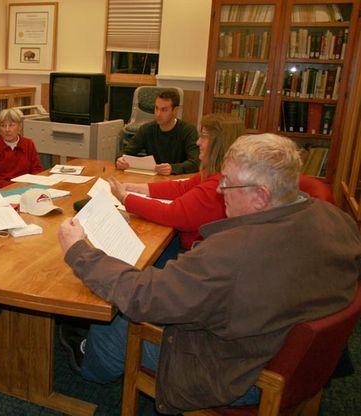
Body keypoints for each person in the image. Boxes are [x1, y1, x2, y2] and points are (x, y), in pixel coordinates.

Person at [58, 133, 361, 414]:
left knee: (120, 323)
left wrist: (79, 251)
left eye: (227, 182)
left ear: (260, 196)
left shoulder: (234, 253)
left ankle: (88, 366)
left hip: (236, 373)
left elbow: (143, 298)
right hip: (292, 354)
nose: (219, 189)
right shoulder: (335, 217)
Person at [109, 113, 245, 262]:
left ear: (220, 143)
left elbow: (171, 213)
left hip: (190, 255)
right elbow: (182, 187)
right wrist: (134, 187)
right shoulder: (216, 174)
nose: (198, 142)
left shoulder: (216, 186)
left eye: (204, 136)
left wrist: (125, 198)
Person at [116, 89, 199, 175]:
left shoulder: (188, 131)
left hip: (178, 179)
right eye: (156, 108)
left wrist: (173, 168)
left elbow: (196, 162)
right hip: (154, 177)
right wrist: (120, 160)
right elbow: (126, 151)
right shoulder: (147, 129)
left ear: (175, 110)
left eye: (164, 110)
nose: (158, 114)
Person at [0, 108, 44, 188]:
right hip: (3, 189)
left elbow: (37, 169)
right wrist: (14, 186)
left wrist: (31, 184)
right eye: (3, 126)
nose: (7, 130)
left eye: (11, 125)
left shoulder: (28, 144)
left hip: (27, 187)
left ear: (19, 127)